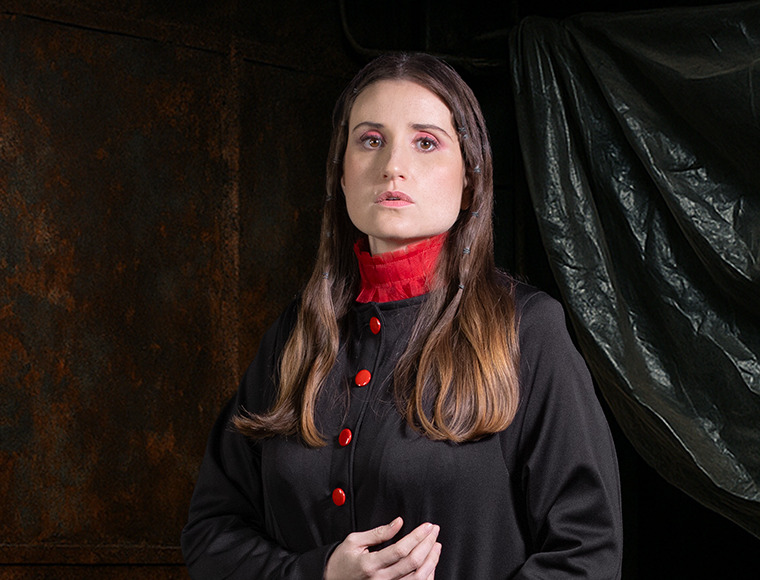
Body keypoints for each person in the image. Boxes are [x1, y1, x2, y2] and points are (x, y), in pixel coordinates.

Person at [181, 52, 623, 579]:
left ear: (470, 179)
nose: (393, 165)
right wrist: (320, 574)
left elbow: (588, 555)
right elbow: (210, 534)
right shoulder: (295, 336)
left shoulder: (528, 331)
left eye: (426, 142)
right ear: (341, 175)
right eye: (371, 140)